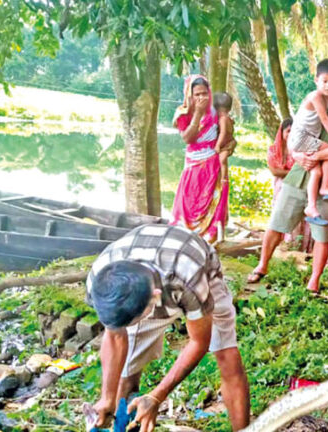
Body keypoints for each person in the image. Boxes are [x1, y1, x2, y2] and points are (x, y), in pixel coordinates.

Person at [86, 224, 250, 432]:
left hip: (195, 265)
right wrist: (106, 398)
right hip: (145, 266)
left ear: (155, 298)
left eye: (133, 321)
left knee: (228, 358)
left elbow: (199, 341)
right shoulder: (99, 281)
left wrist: (157, 396)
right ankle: (125, 420)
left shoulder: (188, 280)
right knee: (125, 379)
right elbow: (115, 335)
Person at [247, 60, 328, 293]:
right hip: (297, 175)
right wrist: (297, 155)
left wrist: (315, 156)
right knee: (277, 222)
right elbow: (295, 134)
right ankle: (262, 265)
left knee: (322, 234)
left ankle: (315, 279)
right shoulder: (319, 99)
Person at [287, 58, 328, 226]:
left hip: (303, 139)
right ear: (316, 80)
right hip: (302, 138)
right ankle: (325, 187)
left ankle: (311, 207)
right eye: (324, 81)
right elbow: (324, 119)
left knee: (315, 172)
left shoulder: (327, 98)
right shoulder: (316, 96)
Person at [171, 75, 229, 243]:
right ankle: (185, 232)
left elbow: (228, 135)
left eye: (204, 93)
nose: (202, 98)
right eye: (197, 95)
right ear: (190, 95)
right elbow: (187, 138)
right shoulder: (183, 113)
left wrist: (227, 149)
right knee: (190, 199)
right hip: (193, 163)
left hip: (213, 163)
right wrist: (196, 113)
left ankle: (208, 236)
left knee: (210, 198)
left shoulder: (215, 113)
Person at [267, 118, 294, 204]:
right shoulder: (273, 150)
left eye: (293, 131)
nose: (290, 134)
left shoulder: (299, 150)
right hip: (279, 186)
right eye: (288, 131)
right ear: (282, 132)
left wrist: (283, 172)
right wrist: (294, 173)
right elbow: (274, 171)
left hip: (295, 186)